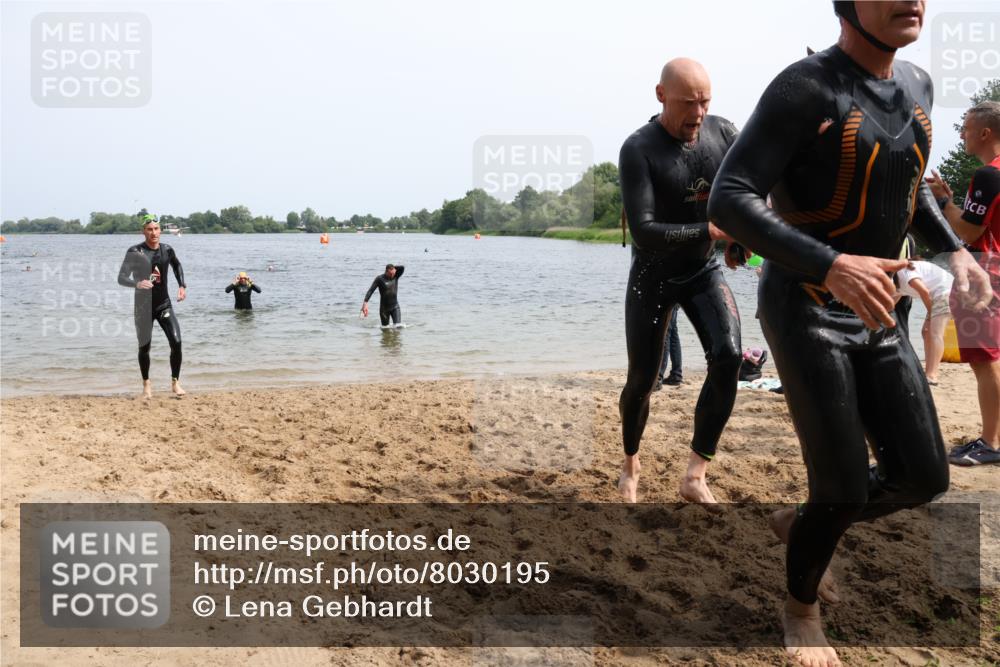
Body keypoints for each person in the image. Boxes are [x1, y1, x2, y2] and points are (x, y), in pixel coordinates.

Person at [707, 2, 994, 665]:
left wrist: (955, 251)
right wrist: (830, 263)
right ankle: (800, 608)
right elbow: (730, 197)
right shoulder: (805, 86)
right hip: (806, 303)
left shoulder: (917, 86)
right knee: (838, 485)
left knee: (923, 476)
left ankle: (799, 522)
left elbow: (910, 185)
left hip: (878, 304)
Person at [617, 57, 743, 505]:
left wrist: (737, 240)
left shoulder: (723, 132)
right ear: (660, 95)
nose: (699, 113)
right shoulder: (639, 148)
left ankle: (695, 474)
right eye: (689, 103)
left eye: (705, 101)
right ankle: (631, 462)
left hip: (702, 270)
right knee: (642, 382)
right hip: (652, 275)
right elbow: (646, 228)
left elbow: (746, 189)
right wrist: (709, 231)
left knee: (728, 358)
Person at [926, 100, 1000, 465]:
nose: (961, 133)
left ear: (985, 133)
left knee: (986, 361)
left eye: (967, 127)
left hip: (986, 271)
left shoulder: (988, 176)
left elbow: (968, 229)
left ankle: (990, 443)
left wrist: (942, 204)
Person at [117, 214, 188, 399]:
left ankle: (175, 382)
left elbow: (177, 266)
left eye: (156, 229)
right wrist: (137, 284)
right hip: (143, 307)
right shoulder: (134, 251)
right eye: (149, 229)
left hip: (163, 304)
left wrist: (182, 286)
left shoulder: (167, 250)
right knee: (144, 348)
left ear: (160, 231)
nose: (153, 233)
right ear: (143, 231)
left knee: (177, 342)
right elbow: (121, 277)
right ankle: (146, 385)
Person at [895, 260, 954, 384]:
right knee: (926, 332)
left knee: (935, 333)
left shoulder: (903, 272)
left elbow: (924, 291)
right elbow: (892, 300)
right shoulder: (893, 281)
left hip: (947, 291)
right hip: (937, 294)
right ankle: (928, 372)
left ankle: (932, 375)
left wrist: (931, 312)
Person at [656, 308, 683, 388]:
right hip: (677, 297)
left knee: (666, 331)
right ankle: (676, 375)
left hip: (671, 296)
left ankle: (658, 377)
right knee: (672, 331)